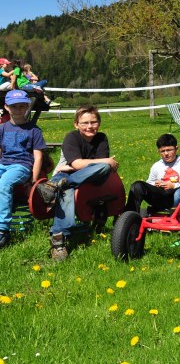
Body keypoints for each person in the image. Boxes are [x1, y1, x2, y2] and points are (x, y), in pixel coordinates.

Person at [36, 105, 118, 261]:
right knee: (66, 191)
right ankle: (59, 242)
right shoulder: (71, 137)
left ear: (99, 123)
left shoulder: (101, 138)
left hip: (87, 177)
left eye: (93, 122)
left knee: (103, 167)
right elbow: (77, 164)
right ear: (76, 124)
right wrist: (107, 161)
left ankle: (60, 186)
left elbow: (95, 167)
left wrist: (101, 163)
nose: (89, 126)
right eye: (84, 123)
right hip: (63, 176)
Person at [0, 90, 47, 249]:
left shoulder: (34, 130)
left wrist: (33, 180)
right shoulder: (2, 128)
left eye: (22, 106)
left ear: (27, 107)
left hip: (22, 165)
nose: (18, 110)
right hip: (3, 163)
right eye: (14, 106)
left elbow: (38, 157)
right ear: (7, 107)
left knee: (4, 184)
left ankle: (2, 229)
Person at [125, 133, 180, 215]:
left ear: (176, 149)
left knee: (179, 192)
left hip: (178, 197)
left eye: (169, 150)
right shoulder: (157, 166)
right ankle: (128, 217)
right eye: (162, 151)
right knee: (137, 186)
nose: (166, 154)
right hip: (160, 197)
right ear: (158, 151)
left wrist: (174, 186)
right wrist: (155, 184)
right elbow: (150, 182)